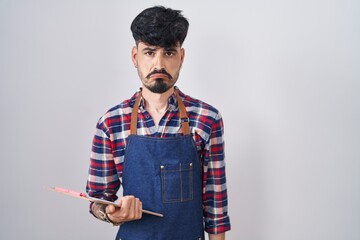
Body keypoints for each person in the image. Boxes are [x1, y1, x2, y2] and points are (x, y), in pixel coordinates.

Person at [86, 6, 231, 240]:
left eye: (169, 53)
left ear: (181, 57)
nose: (159, 64)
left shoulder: (207, 119)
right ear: (135, 56)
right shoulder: (110, 123)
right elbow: (97, 197)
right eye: (150, 52)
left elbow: (215, 204)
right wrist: (110, 214)